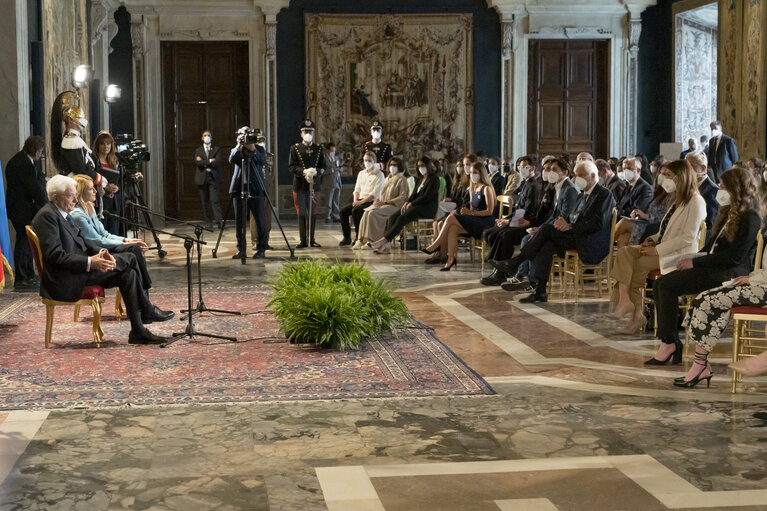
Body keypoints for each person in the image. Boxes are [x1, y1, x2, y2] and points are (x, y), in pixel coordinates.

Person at [31, 175, 174, 344]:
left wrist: (101, 254)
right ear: (56, 197)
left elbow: (83, 242)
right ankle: (147, 310)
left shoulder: (61, 212)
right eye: (71, 195)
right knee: (130, 258)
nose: (76, 199)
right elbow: (55, 256)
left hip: (80, 269)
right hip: (67, 277)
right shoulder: (47, 217)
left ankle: (138, 330)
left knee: (129, 273)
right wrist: (92, 262)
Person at [647, 167, 761, 366]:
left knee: (666, 286)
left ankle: (669, 343)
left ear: (736, 189)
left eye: (724, 186)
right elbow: (713, 246)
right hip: (713, 266)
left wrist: (695, 262)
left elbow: (734, 257)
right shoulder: (728, 212)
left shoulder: (750, 217)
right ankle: (669, 340)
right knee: (661, 283)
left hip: (728, 273)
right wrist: (693, 257)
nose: (720, 189)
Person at [497, 160, 615, 303]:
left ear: (592, 175)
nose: (578, 178)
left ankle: (516, 262)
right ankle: (540, 291)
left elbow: (598, 223)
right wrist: (564, 224)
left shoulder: (604, 194)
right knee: (546, 244)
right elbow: (573, 217)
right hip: (576, 236)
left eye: (582, 175)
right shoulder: (581, 195)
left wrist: (570, 226)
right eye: (576, 175)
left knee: (546, 229)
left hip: (590, 240)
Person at [610, 159, 706, 334]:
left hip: (679, 254)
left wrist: (656, 249)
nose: (664, 179)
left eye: (668, 175)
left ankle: (635, 314)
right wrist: (652, 240)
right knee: (624, 253)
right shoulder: (676, 199)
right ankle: (625, 300)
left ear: (681, 177)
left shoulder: (695, 201)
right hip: (662, 247)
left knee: (634, 266)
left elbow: (687, 237)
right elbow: (665, 230)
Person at [680, 237, 767, 388]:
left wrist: (752, 279)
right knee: (703, 297)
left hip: (763, 289)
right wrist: (753, 276)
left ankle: (700, 365)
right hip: (760, 283)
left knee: (706, 301)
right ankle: (700, 365)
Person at [491, 155, 580, 290]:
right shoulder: (558, 187)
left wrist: (541, 228)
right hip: (551, 228)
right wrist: (540, 227)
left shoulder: (569, 190)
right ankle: (523, 277)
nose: (550, 173)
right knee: (527, 238)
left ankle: (527, 278)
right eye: (548, 169)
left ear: (565, 172)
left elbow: (564, 217)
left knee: (531, 240)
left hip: (565, 233)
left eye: (554, 169)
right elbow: (553, 215)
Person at [69, 175, 153, 294]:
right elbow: (97, 241)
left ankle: (145, 297)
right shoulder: (77, 214)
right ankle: (146, 289)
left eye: (94, 188)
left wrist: (126, 239)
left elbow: (105, 234)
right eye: (90, 189)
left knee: (134, 247)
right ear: (80, 192)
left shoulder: (90, 208)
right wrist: (124, 242)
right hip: (95, 252)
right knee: (134, 249)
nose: (95, 191)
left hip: (101, 246)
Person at [422, 162, 496, 271]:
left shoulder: (486, 188)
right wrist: (466, 211)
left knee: (451, 218)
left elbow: (489, 212)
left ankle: (436, 244)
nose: (472, 175)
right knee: (452, 228)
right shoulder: (473, 188)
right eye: (471, 173)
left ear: (482, 173)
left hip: (485, 221)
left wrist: (471, 213)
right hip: (475, 219)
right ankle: (451, 259)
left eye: (475, 172)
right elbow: (472, 209)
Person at [50, 91, 115, 205]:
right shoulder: (71, 141)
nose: (83, 119)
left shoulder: (76, 139)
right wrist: (99, 179)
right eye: (79, 117)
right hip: (77, 188)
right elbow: (81, 169)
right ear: (70, 119)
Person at [368, 156, 440, 254]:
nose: (420, 168)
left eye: (422, 165)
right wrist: (407, 202)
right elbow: (414, 194)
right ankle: (387, 245)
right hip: (417, 206)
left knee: (402, 218)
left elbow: (426, 197)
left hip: (427, 208)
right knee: (393, 217)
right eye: (418, 166)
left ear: (427, 165)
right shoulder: (420, 179)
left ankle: (382, 241)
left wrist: (411, 203)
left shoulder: (434, 179)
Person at [5, 135, 47, 290]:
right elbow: (33, 187)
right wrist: (45, 204)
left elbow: (36, 181)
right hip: (20, 210)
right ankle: (22, 277)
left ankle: (29, 274)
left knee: (28, 242)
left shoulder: (25, 161)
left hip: (23, 209)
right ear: (35, 150)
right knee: (23, 242)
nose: (40, 154)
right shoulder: (22, 163)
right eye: (40, 151)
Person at [230, 130, 269, 259]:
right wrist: (238, 145)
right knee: (239, 221)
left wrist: (252, 148)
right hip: (239, 188)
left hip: (256, 188)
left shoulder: (259, 149)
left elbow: (261, 161)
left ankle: (261, 249)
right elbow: (232, 159)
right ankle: (241, 249)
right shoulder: (237, 150)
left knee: (260, 220)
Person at [356, 158, 410, 248]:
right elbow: (381, 193)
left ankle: (373, 240)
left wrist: (386, 202)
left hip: (395, 206)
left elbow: (403, 197)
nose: (392, 167)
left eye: (395, 165)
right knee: (366, 212)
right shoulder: (387, 178)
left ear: (399, 167)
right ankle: (361, 239)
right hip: (384, 204)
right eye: (391, 165)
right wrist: (377, 200)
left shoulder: (402, 179)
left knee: (373, 214)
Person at [288, 119, 325, 248]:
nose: (308, 133)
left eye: (310, 131)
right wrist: (304, 171)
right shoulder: (295, 148)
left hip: (314, 185)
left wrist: (316, 172)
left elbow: (323, 166)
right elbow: (291, 167)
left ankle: (312, 239)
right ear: (301, 134)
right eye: (306, 131)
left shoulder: (318, 149)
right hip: (300, 186)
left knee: (313, 212)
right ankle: (303, 240)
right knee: (302, 212)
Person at [341, 151, 385, 247]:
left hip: (371, 201)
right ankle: (347, 237)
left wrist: (360, 202)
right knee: (343, 211)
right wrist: (355, 200)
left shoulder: (379, 174)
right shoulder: (361, 173)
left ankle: (359, 237)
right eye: (365, 160)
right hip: (359, 200)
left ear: (374, 161)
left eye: (369, 160)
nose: (367, 163)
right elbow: (357, 189)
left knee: (356, 210)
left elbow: (374, 194)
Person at [92, 131, 124, 236]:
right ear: (98, 145)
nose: (106, 146)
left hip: (113, 203)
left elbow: (120, 181)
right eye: (102, 144)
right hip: (100, 204)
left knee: (114, 233)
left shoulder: (114, 161)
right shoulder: (93, 161)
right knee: (103, 233)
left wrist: (117, 188)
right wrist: (105, 187)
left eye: (108, 144)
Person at [685, 150, 719, 241]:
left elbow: (709, 223)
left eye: (690, 167)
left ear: (703, 168)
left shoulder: (712, 190)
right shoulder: (688, 187)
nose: (686, 171)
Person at [194, 130, 224, 229]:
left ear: (211, 137)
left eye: (209, 135)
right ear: (202, 138)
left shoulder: (216, 149)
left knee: (214, 200)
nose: (207, 137)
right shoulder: (198, 150)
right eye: (205, 135)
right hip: (202, 178)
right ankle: (208, 222)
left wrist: (204, 162)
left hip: (213, 177)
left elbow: (217, 162)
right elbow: (198, 163)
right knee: (205, 201)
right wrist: (210, 160)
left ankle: (219, 221)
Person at [324, 142, 342, 223]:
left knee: (336, 200)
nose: (333, 152)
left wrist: (339, 169)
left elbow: (340, 168)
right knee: (329, 200)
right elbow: (321, 171)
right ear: (327, 150)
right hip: (329, 182)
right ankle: (327, 216)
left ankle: (336, 216)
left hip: (337, 181)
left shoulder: (337, 158)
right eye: (331, 151)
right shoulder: (324, 158)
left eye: (334, 151)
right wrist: (331, 170)